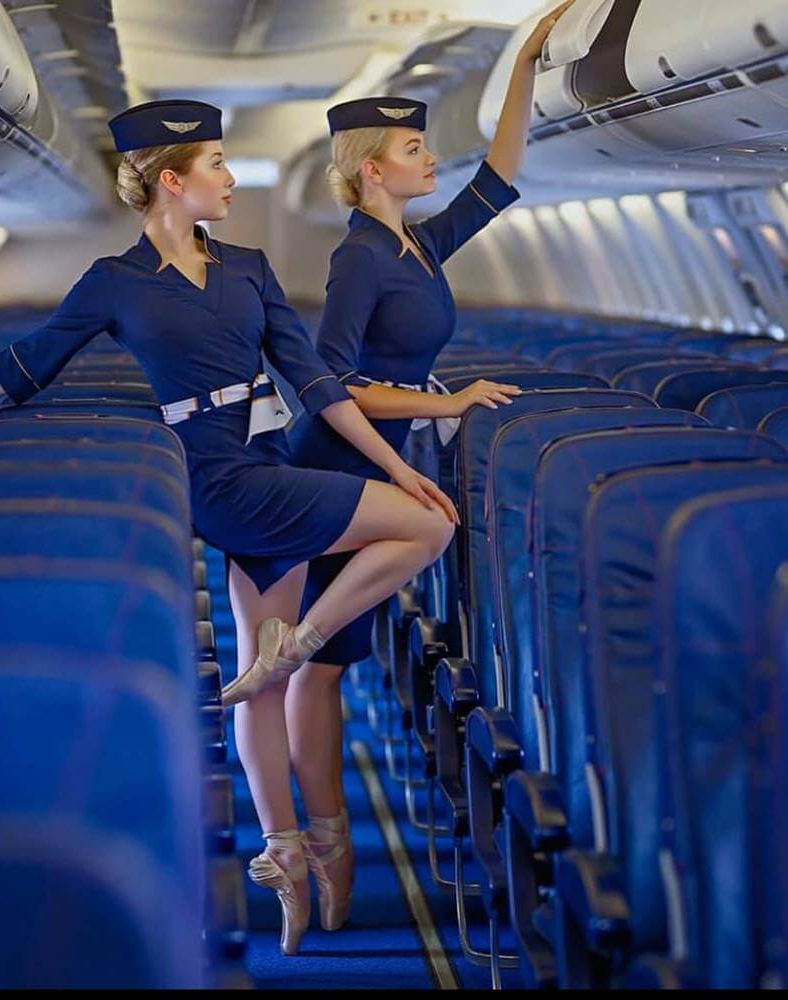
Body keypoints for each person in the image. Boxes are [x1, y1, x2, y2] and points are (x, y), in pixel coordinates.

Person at [0, 98, 458, 956]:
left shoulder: (250, 266)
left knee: (272, 665)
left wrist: (401, 462)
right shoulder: (114, 283)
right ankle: (300, 648)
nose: (230, 180)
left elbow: (317, 385)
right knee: (416, 535)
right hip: (203, 475)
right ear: (169, 181)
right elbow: (19, 367)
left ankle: (291, 856)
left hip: (262, 464)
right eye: (216, 166)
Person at [283, 1, 574, 934]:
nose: (428, 156)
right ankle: (328, 848)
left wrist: (526, 52)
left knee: (334, 658)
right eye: (412, 148)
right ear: (373, 169)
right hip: (336, 460)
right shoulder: (359, 258)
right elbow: (326, 381)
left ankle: (324, 848)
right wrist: (444, 405)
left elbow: (503, 169)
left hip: (383, 453)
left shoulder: (420, 245)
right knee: (322, 665)